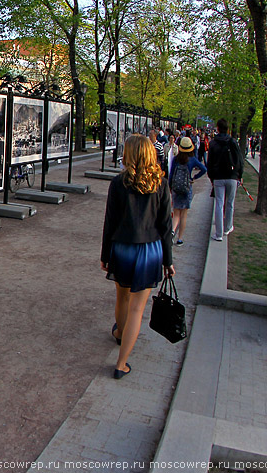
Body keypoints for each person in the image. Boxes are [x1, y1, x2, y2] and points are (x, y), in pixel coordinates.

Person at [101, 135, 175, 380]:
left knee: (121, 298)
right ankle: (121, 363)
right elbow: (165, 226)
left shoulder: (118, 183)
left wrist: (105, 255)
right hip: (150, 250)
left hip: (122, 248)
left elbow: (109, 222)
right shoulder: (161, 184)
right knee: (137, 309)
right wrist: (168, 260)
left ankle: (120, 333)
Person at [207, 119, 244, 241]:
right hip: (232, 176)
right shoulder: (233, 142)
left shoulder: (213, 143)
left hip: (218, 176)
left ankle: (219, 233)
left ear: (217, 128)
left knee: (219, 203)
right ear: (228, 129)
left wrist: (211, 177)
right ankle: (228, 227)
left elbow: (210, 162)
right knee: (230, 203)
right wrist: (240, 174)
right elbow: (239, 159)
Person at [169, 137, 207, 247]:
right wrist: (194, 177)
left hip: (176, 187)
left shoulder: (176, 159)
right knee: (184, 214)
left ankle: (172, 230)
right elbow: (204, 169)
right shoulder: (193, 159)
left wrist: (170, 187)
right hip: (186, 187)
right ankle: (180, 239)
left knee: (176, 213)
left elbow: (171, 174)